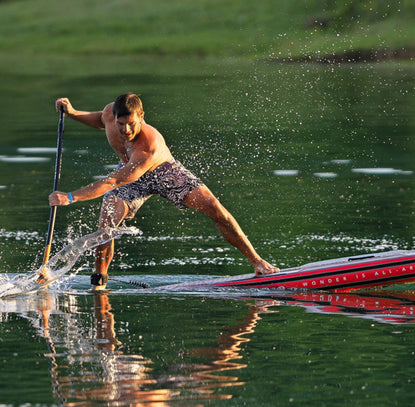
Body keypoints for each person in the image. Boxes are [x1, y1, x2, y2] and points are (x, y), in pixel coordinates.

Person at [48, 93, 278, 289]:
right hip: (128, 172)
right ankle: (99, 281)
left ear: (142, 117)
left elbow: (113, 181)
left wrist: (71, 197)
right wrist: (73, 113)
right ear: (115, 118)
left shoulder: (148, 145)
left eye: (132, 124)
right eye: (121, 124)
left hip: (164, 173)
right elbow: (99, 119)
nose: (126, 130)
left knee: (215, 209)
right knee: (107, 223)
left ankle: (259, 263)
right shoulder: (109, 114)